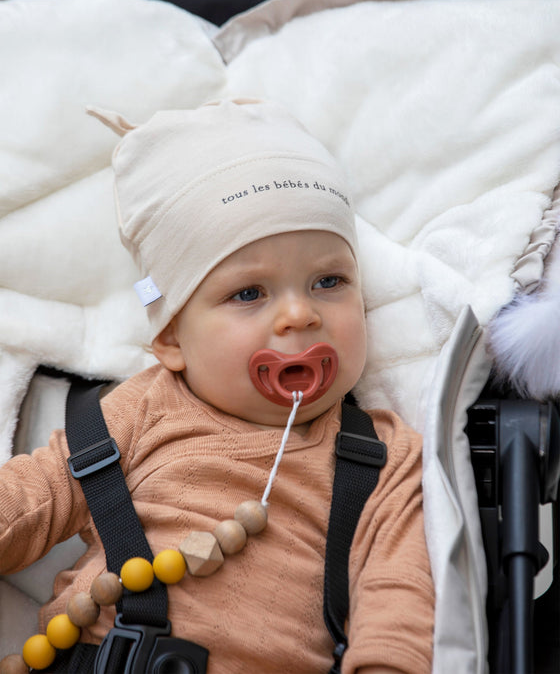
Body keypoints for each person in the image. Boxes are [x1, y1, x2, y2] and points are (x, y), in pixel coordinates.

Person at [0, 99, 434, 673]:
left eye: (329, 281)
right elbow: (31, 500)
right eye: (250, 293)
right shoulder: (141, 410)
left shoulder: (382, 456)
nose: (300, 315)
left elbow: (397, 599)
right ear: (174, 338)